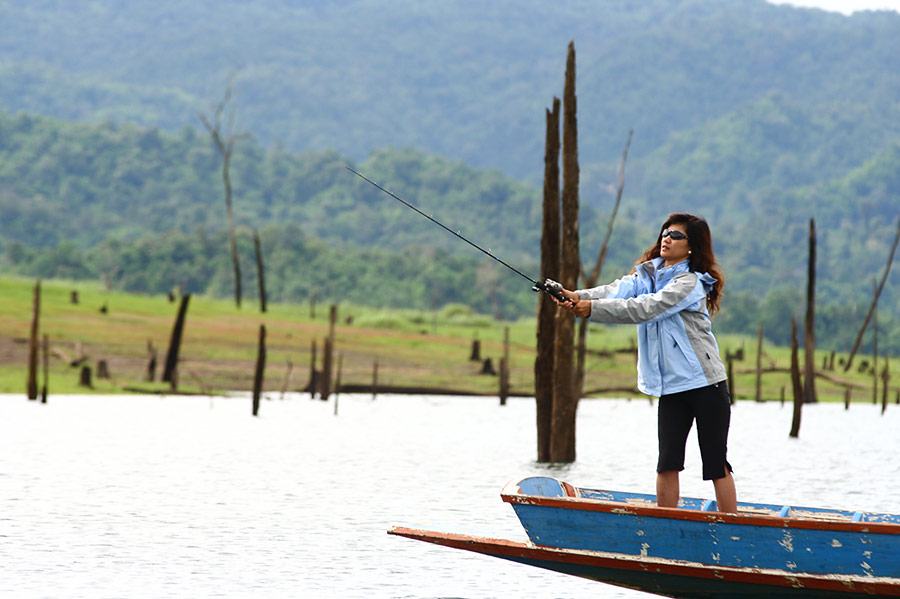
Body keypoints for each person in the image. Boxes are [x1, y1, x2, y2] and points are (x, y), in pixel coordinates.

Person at [552, 213, 737, 513]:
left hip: (706, 385)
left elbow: (646, 308)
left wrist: (591, 310)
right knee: (667, 463)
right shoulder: (647, 276)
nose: (667, 237)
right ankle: (665, 526)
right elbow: (617, 291)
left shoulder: (689, 283)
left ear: (692, 247)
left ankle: (733, 529)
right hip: (672, 388)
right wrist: (577, 296)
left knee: (716, 463)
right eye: (665, 232)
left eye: (676, 235)